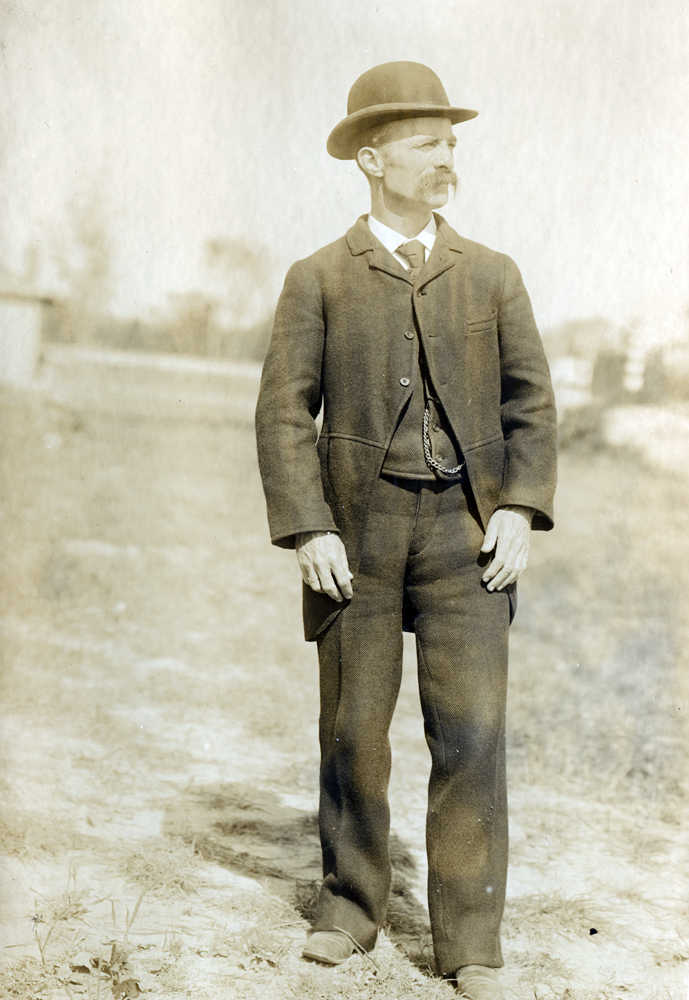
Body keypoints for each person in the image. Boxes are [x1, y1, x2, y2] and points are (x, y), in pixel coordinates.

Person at [255, 61, 557, 1000]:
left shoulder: (493, 275)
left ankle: (468, 943)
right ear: (372, 158)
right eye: (426, 144)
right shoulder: (317, 279)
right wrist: (309, 529)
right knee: (352, 728)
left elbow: (533, 407)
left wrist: (516, 505)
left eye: (451, 143)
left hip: (468, 538)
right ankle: (349, 906)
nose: (446, 158)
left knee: (471, 731)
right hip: (357, 531)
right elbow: (280, 416)